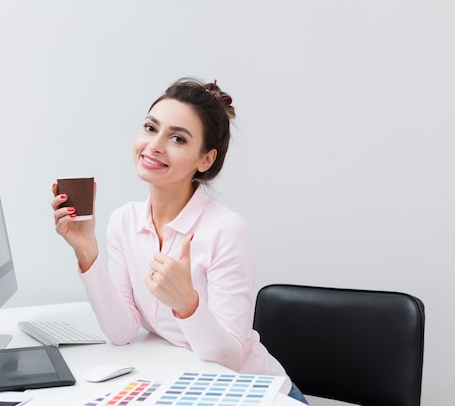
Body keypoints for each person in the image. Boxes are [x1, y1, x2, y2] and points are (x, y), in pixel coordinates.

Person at [51, 78, 308, 404]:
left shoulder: (226, 229)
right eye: (149, 127)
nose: (154, 145)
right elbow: (121, 331)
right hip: (188, 386)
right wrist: (87, 253)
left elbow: (229, 359)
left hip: (254, 392)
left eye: (177, 138)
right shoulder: (124, 221)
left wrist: (188, 304)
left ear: (205, 160)